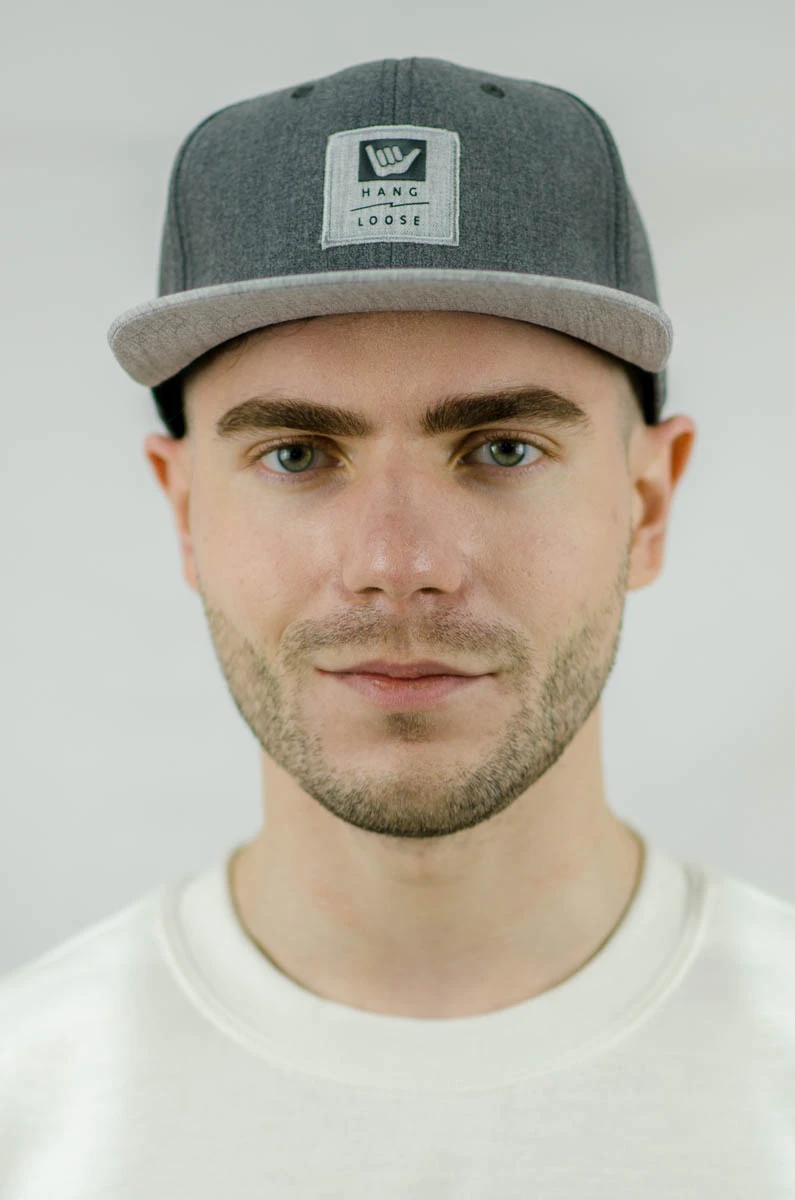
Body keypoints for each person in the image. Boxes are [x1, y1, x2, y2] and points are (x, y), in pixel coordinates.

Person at [2, 57, 793, 1197]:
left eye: (503, 449)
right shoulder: (28, 1110)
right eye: (296, 455)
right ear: (184, 513)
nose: (398, 566)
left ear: (647, 504)